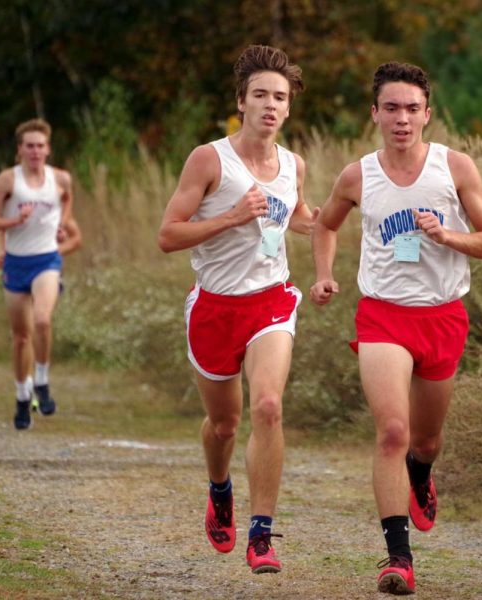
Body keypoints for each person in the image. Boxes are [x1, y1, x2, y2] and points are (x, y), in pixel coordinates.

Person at [309, 61, 482, 595]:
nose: (402, 118)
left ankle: (421, 473)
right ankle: (398, 558)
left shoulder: (455, 168)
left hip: (442, 316)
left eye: (412, 108)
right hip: (383, 315)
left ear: (427, 114)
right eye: (391, 108)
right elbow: (325, 225)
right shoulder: (357, 175)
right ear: (374, 113)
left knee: (426, 438)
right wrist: (324, 275)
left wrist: (447, 237)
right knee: (392, 430)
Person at [157, 44, 316, 576]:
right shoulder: (209, 159)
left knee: (268, 406)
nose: (271, 105)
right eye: (260, 95)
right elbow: (168, 235)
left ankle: (262, 534)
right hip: (215, 308)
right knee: (224, 425)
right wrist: (228, 217)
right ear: (241, 102)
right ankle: (219, 488)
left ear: (289, 108)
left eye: (280, 97)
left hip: (272, 300)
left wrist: (338, 215)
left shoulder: (294, 164)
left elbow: (299, 217)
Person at [0, 118, 74, 430]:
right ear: (20, 149)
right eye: (29, 146)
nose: (35, 151)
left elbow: (66, 202)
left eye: (40, 146)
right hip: (15, 264)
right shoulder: (8, 180)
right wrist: (13, 222)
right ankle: (22, 397)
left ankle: (42, 382)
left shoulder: (60, 179)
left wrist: (61, 224)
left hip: (46, 259)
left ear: (48, 149)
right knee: (21, 337)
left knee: (43, 320)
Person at [0, 215, 83, 413]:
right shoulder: (15, 198)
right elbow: (2, 226)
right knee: (23, 334)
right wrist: (1, 250)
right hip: (17, 270)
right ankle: (26, 387)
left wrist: (51, 251)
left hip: (46, 272)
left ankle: (38, 383)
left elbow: (76, 238)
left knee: (38, 323)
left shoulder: (56, 201)